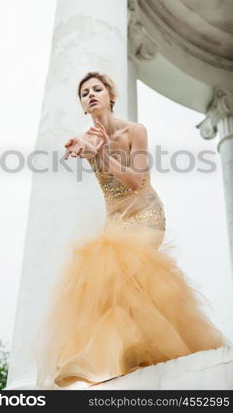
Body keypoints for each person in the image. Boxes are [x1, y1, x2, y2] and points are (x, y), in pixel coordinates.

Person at [35, 71, 228, 390]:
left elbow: (136, 181)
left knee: (131, 275)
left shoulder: (134, 131)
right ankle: (119, 359)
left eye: (97, 89)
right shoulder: (89, 138)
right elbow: (84, 146)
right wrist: (79, 146)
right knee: (106, 284)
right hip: (115, 220)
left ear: (111, 96)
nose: (91, 95)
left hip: (145, 214)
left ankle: (145, 353)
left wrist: (99, 154)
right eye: (84, 93)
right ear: (83, 105)